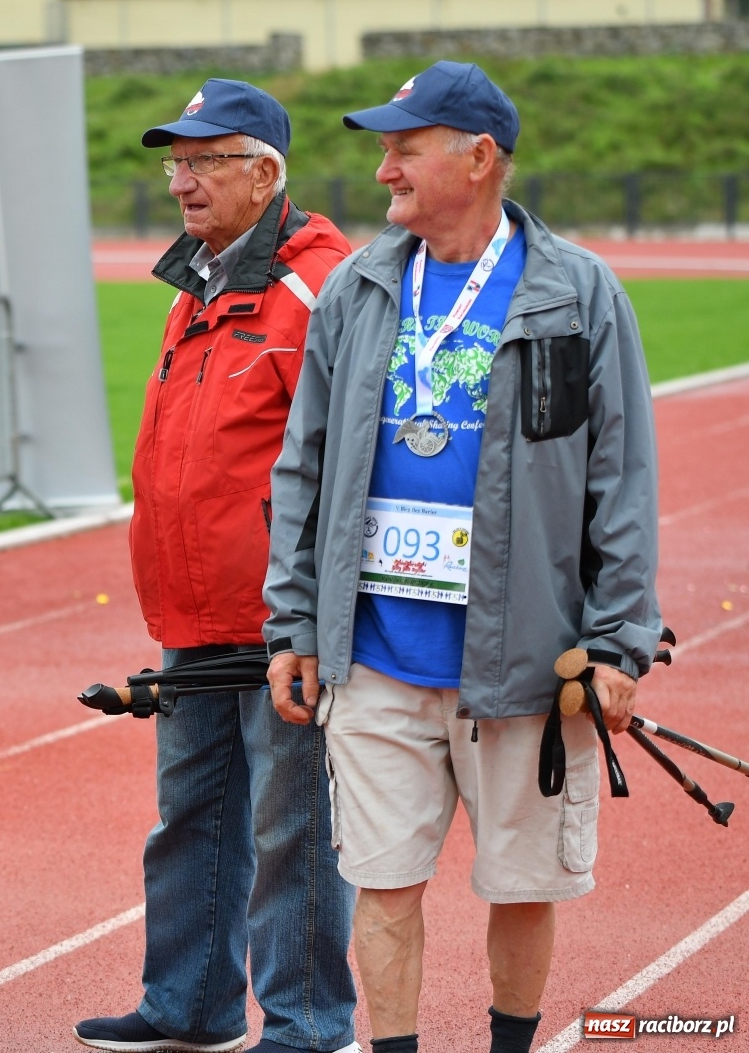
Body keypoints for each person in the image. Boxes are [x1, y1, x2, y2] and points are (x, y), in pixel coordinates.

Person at [263, 61, 662, 1053]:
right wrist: (293, 621)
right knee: (383, 882)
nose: (384, 164)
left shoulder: (577, 293)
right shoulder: (357, 285)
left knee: (521, 887)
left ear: (478, 157)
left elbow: (621, 476)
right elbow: (302, 468)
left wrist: (618, 639)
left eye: (406, 144)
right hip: (377, 652)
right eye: (384, 145)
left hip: (525, 663)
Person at [74, 80, 359, 1053]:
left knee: (293, 831)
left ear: (264, 171)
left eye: (205, 160)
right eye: (175, 162)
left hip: (283, 619)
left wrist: (314, 613)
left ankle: (306, 1025)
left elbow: (343, 461)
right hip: (190, 610)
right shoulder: (196, 281)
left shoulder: (323, 286)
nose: (182, 181)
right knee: (189, 816)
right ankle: (189, 1000)